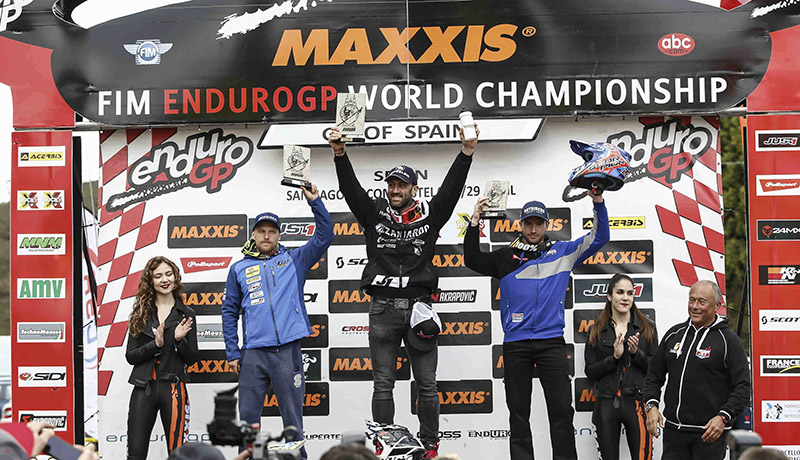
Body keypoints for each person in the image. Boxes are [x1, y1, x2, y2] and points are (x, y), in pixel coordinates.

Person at [328, 123, 479, 459]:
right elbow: (350, 189)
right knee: (383, 383)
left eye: (401, 184)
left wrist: (466, 152)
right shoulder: (374, 213)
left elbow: (452, 189)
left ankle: (430, 447)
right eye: (391, 184)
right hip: (382, 309)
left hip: (419, 310)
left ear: (413, 188)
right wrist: (339, 153)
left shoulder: (430, 215)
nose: (395, 189)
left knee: (427, 383)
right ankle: (386, 446)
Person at [463, 191, 609, 460]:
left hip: (551, 343)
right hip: (516, 345)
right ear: (520, 225)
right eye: (528, 224)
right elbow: (471, 258)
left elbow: (599, 237)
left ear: (547, 225)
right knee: (518, 413)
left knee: (561, 411)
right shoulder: (505, 257)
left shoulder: (564, 252)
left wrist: (598, 202)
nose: (533, 229)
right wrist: (474, 222)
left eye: (538, 224)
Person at [222, 184, 333, 460]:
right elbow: (229, 311)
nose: (266, 235)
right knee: (248, 421)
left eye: (272, 231)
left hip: (287, 351)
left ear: (279, 235)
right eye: (261, 231)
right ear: (253, 234)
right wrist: (233, 352)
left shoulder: (295, 259)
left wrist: (315, 201)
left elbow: (325, 235)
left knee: (293, 421)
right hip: (253, 354)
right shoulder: (239, 268)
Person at [643, 280, 750, 460]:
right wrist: (651, 406)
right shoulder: (674, 334)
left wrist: (723, 417)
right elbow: (653, 375)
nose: (695, 306)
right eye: (692, 300)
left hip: (709, 434)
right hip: (674, 433)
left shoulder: (729, 341)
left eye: (702, 302)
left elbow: (743, 387)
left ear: (717, 306)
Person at [125, 256, 198, 459]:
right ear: (151, 280)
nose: (164, 280)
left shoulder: (187, 313)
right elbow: (131, 356)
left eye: (168, 274)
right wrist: (155, 345)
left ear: (175, 277)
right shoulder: (141, 313)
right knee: (135, 454)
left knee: (178, 454)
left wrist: (178, 341)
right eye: (158, 276)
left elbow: (192, 359)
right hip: (143, 388)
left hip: (174, 389)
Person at [584, 273, 658, 460]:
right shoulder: (596, 330)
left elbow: (655, 371)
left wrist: (635, 353)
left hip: (638, 403)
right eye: (620, 292)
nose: (625, 298)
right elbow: (590, 372)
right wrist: (615, 358)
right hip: (606, 403)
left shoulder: (647, 328)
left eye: (630, 293)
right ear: (609, 296)